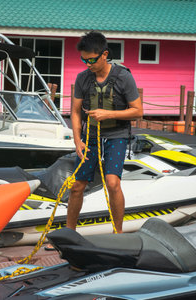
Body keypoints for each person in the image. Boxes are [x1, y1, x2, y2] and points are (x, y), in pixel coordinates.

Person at [67, 31, 143, 233]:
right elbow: (75, 112)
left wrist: (108, 115)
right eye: (84, 60)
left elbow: (138, 111)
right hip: (89, 137)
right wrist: (77, 141)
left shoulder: (123, 77)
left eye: (91, 59)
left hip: (116, 136)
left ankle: (118, 234)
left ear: (104, 54)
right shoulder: (82, 78)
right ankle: (69, 232)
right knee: (76, 186)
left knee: (112, 183)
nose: (88, 64)